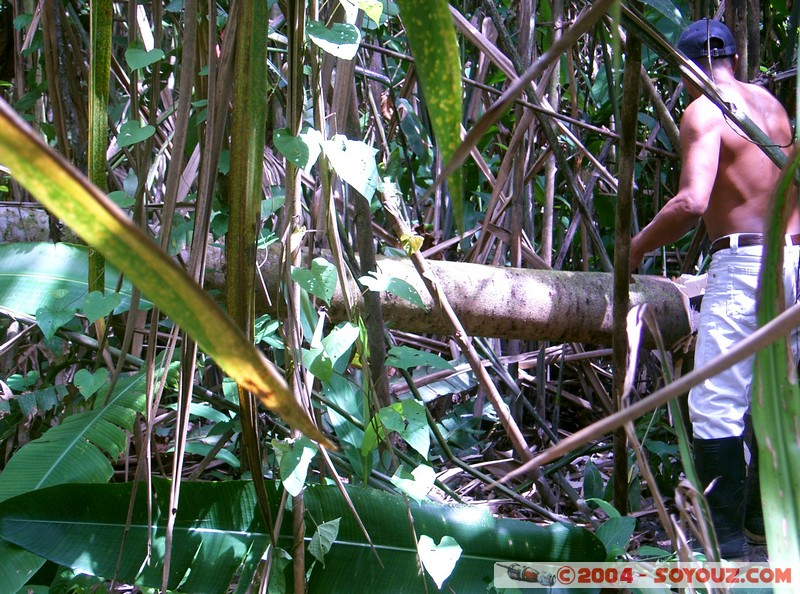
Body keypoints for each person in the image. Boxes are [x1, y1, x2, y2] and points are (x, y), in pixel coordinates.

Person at [629, 18, 800, 558]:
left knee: (716, 403)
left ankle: (724, 545)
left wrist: (630, 252)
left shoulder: (703, 111)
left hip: (746, 263)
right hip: (794, 260)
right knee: (778, 396)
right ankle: (761, 526)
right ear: (729, 57)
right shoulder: (770, 106)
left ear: (686, 67)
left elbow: (692, 203)